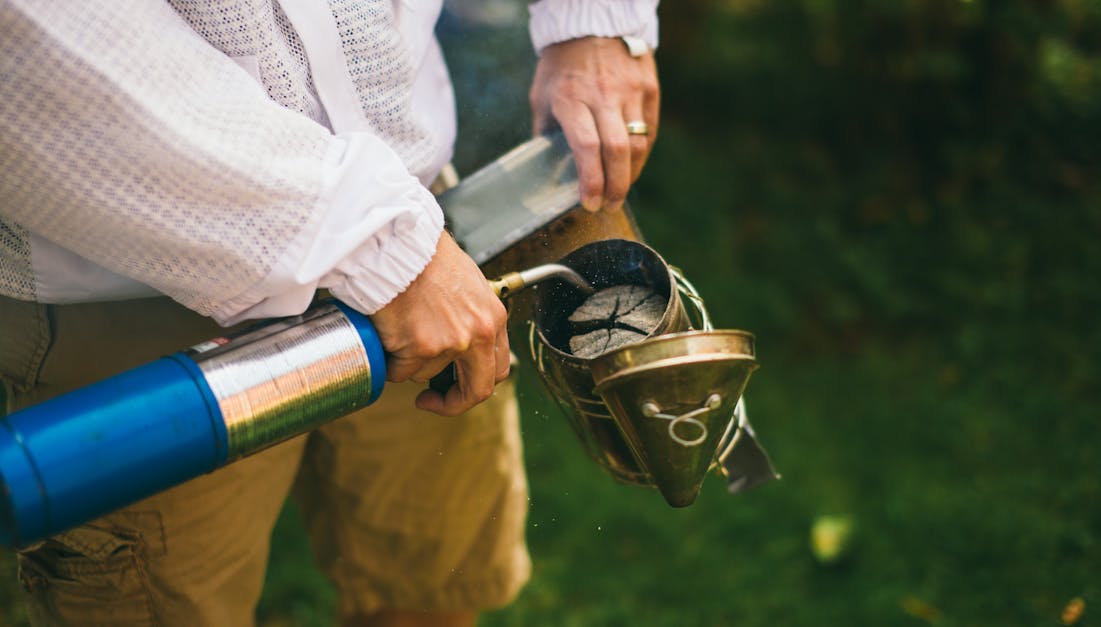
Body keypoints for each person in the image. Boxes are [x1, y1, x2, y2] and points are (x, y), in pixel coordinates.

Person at [0, 1, 660, 625]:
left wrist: (596, 24)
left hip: (422, 223)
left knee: (430, 584)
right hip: (144, 276)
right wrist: (371, 241)